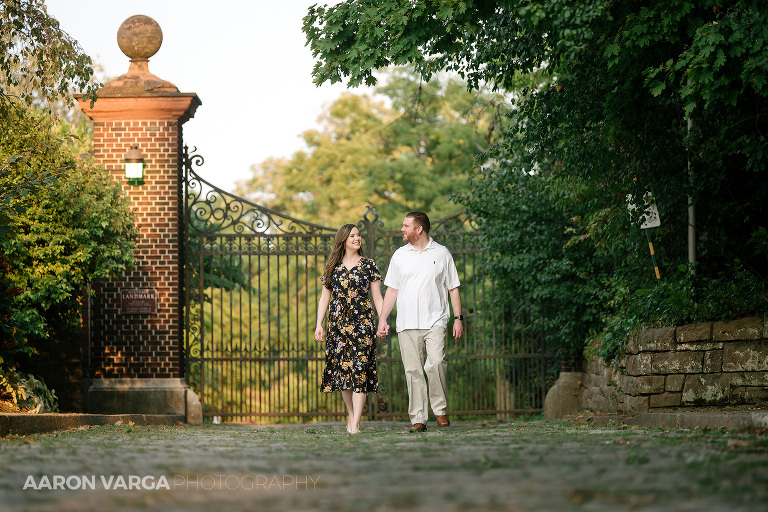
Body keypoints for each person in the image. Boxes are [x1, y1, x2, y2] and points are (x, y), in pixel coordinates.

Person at [376, 212, 464, 432]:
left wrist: (458, 318)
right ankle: (418, 418)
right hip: (406, 322)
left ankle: (440, 411)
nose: (402, 229)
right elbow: (392, 290)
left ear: (419, 229)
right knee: (413, 371)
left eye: (406, 226)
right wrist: (383, 319)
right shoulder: (399, 255)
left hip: (435, 320)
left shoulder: (442, 253)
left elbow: (453, 287)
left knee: (435, 364)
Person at [315, 224, 383, 434]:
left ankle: (355, 425)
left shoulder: (369, 265)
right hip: (337, 325)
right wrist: (319, 323)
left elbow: (378, 297)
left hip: (362, 323)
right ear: (343, 239)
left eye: (359, 235)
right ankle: (352, 415)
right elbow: (325, 296)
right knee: (343, 373)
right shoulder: (332, 266)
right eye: (352, 235)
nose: (357, 238)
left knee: (359, 371)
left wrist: (383, 321)